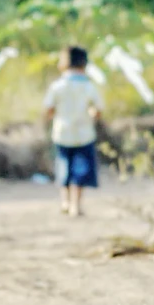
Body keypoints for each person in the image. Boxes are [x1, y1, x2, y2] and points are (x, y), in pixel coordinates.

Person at [41, 45, 105, 217]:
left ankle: (65, 201)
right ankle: (76, 205)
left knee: (64, 167)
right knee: (80, 170)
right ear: (85, 64)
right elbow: (98, 109)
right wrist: (92, 115)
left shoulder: (57, 86)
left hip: (62, 133)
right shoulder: (89, 86)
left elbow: (48, 109)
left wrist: (51, 118)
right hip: (84, 134)